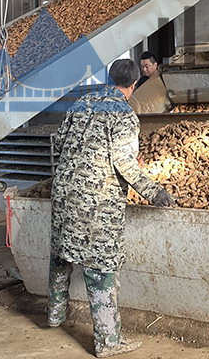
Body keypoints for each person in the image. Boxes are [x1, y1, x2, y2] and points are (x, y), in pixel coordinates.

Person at [47, 58, 176, 358]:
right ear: (132, 86)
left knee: (61, 253)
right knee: (101, 267)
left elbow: (60, 142)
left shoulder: (82, 102)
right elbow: (124, 162)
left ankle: (54, 314)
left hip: (64, 193)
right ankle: (108, 342)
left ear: (109, 78)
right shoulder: (125, 115)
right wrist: (153, 192)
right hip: (96, 203)